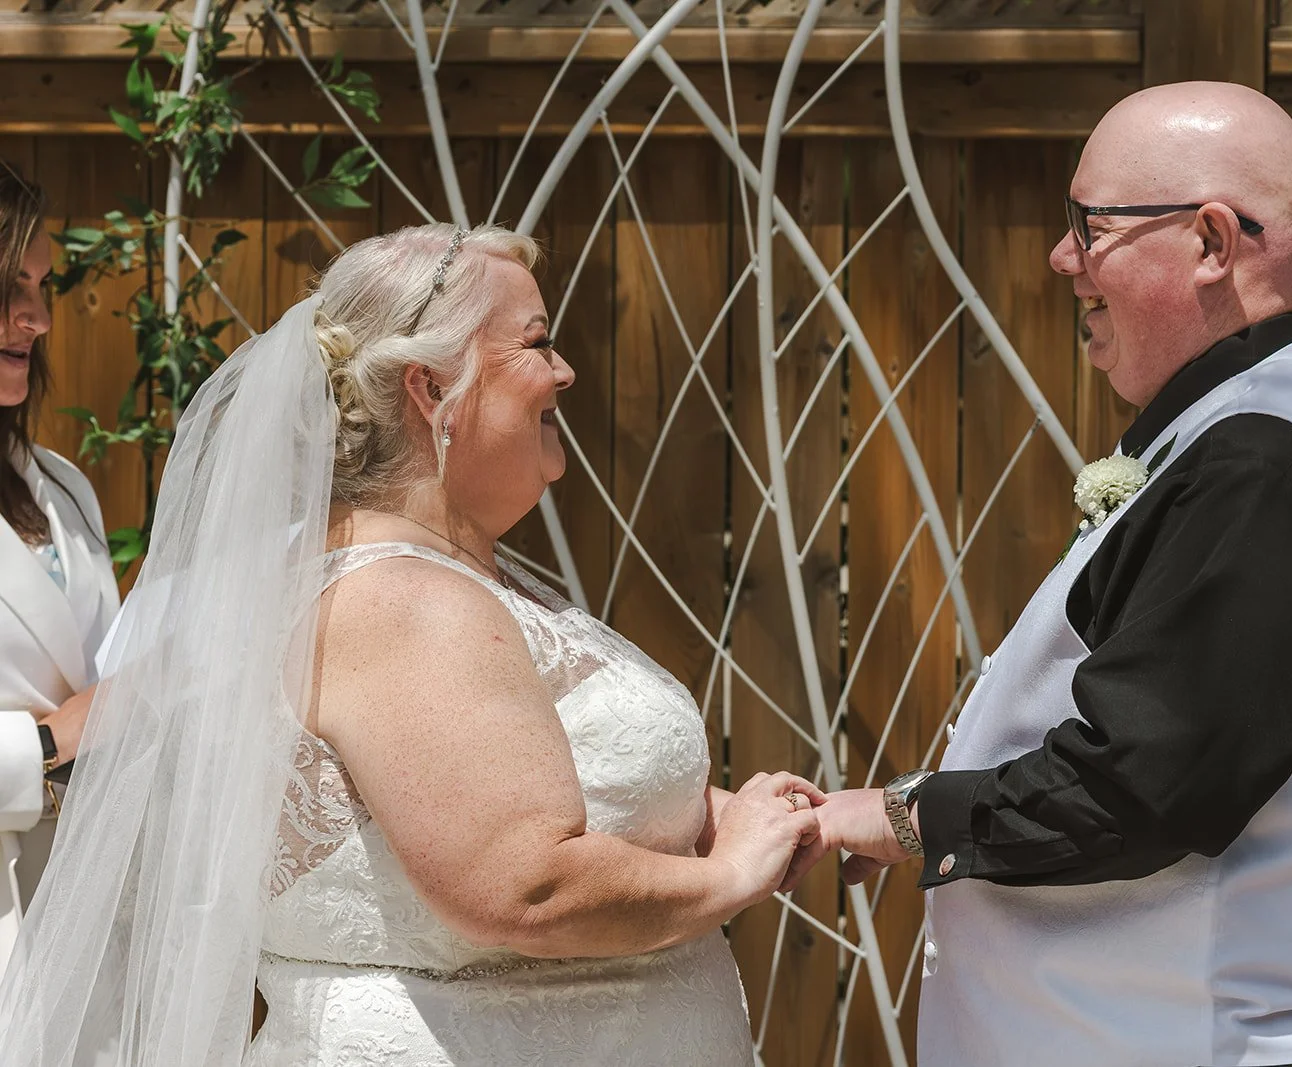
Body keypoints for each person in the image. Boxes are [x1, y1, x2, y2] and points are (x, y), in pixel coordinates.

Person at [0, 223, 823, 1066]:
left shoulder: (455, 574)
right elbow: (526, 880)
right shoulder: (400, 597)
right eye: (538, 342)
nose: (565, 371)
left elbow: (513, 785)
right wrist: (730, 877)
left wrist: (785, 818)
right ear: (432, 389)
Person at [805, 81, 1292, 1066]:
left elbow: (1141, 783)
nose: (1062, 258)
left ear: (1214, 243)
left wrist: (905, 817)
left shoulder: (1267, 466)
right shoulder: (1248, 438)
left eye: (1089, 226)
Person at [0, 163, 120, 979]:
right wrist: (45, 743)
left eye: (41, 286)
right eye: (10, 284)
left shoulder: (64, 484)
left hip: (83, 917)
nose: (37, 318)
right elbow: (71, 719)